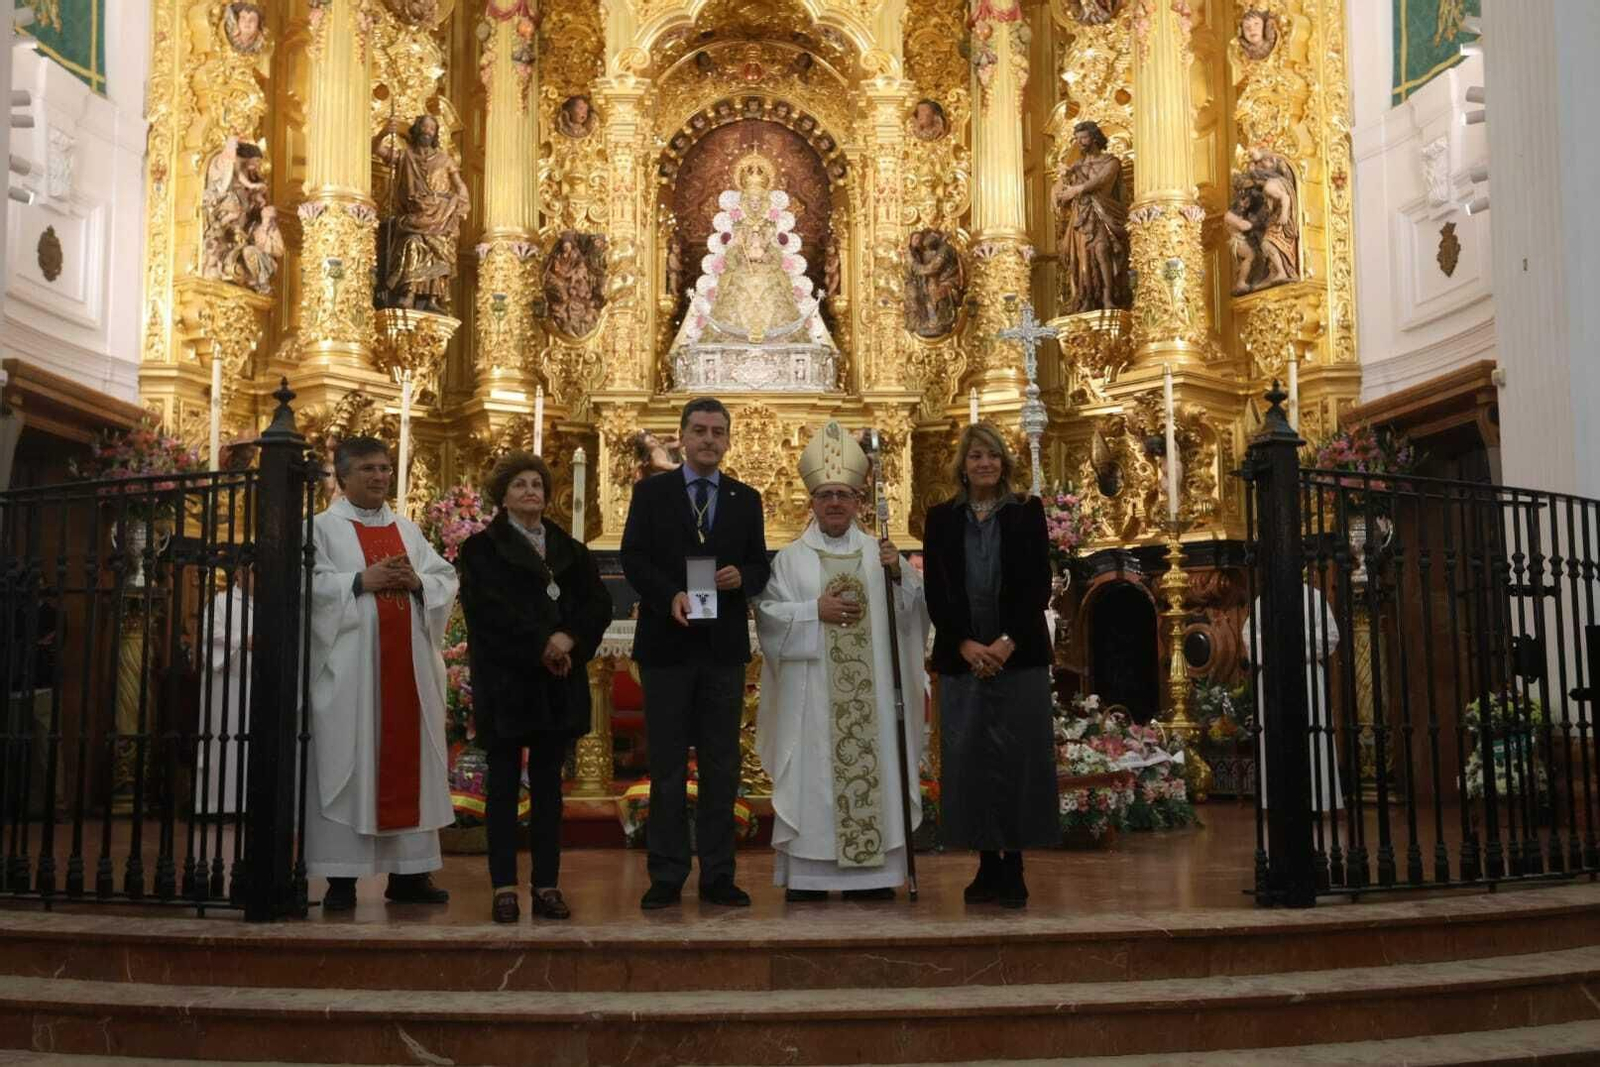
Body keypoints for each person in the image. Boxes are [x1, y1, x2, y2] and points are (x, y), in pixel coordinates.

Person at [755, 422, 928, 902]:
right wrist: (815, 611)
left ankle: (873, 877)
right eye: (826, 494)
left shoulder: (881, 554)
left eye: (844, 495)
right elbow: (768, 618)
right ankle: (810, 875)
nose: (834, 503)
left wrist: (901, 578)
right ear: (811, 502)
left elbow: (913, 618)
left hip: (871, 701)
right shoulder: (790, 560)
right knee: (814, 774)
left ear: (858, 502)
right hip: (812, 698)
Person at [621, 397, 771, 910]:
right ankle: (665, 874)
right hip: (667, 645)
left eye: (718, 432)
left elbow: (759, 566)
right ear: (681, 437)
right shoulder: (651, 493)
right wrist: (669, 596)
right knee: (665, 765)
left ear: (728, 440)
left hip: (721, 648)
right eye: (700, 431)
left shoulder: (745, 498)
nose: (709, 440)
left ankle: (718, 874)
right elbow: (633, 556)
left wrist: (741, 578)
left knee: (721, 764)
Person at [457, 452, 613, 923]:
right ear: (502, 496)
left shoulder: (571, 548)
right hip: (508, 681)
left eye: (537, 484)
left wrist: (569, 639)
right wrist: (540, 644)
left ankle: (547, 884)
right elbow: (488, 610)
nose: (531, 491)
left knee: (549, 790)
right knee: (503, 786)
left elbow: (596, 604)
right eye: (520, 484)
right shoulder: (480, 550)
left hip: (556, 684)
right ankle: (503, 886)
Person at [306, 436, 459, 912]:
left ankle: (410, 875)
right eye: (369, 469)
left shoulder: (408, 531)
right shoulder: (321, 529)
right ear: (344, 476)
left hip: (407, 675)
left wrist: (417, 582)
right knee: (346, 763)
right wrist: (357, 581)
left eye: (385, 469)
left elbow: (444, 578)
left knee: (408, 765)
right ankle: (341, 878)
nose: (379, 477)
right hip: (352, 675)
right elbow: (302, 583)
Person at [922, 423, 1058, 909]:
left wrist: (1005, 643)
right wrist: (963, 644)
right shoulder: (940, 518)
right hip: (964, 658)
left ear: (1004, 464)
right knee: (971, 759)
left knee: (1019, 759)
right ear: (962, 464)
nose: (985, 464)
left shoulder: (1026, 512)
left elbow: (1037, 583)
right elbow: (936, 589)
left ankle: (1015, 865)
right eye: (976, 456)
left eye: (993, 456)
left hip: (1017, 657)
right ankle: (986, 865)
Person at [1242, 587, 1343, 813]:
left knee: (1312, 733)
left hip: (1306, 673)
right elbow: (1249, 637)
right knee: (1274, 735)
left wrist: (1290, 640)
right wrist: (1280, 644)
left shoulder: (1314, 597)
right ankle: (1276, 801)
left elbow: (1331, 636)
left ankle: (1317, 801)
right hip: (1272, 674)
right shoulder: (1264, 600)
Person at [374, 115, 471, 312]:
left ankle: (433, 298)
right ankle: (408, 292)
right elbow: (376, 149)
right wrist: (385, 132)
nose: (427, 131)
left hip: (441, 214)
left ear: (435, 134)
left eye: (431, 129)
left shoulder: (445, 160)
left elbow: (460, 186)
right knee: (412, 243)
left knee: (441, 247)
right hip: (416, 216)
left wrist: (461, 205)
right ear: (417, 130)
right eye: (424, 127)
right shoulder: (405, 156)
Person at [194, 569, 251, 817]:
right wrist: (243, 640)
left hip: (257, 685)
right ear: (239, 573)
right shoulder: (221, 601)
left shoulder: (269, 603)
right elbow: (209, 632)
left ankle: (248, 804)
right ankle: (217, 805)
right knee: (222, 741)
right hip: (226, 683)